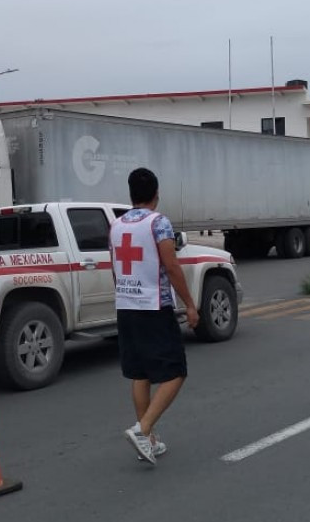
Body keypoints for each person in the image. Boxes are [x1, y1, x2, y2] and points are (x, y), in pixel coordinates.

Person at [111, 168, 199, 466]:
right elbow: (171, 266)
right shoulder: (158, 223)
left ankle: (147, 441)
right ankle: (142, 429)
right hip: (153, 305)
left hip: (126, 304)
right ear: (156, 194)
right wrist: (189, 304)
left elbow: (115, 268)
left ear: (131, 193)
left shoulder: (116, 225)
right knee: (175, 371)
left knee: (140, 374)